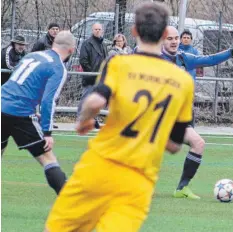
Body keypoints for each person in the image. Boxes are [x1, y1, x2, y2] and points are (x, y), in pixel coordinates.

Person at [44, 2, 194, 231]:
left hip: (100, 166)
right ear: (165, 34)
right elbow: (174, 145)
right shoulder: (182, 81)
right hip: (138, 180)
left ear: (134, 31)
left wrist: (84, 120)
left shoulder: (119, 63)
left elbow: (95, 101)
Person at [161, 25, 233, 199]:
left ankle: (181, 189)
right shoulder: (152, 60)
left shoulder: (183, 58)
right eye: (169, 38)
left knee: (198, 144)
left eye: (175, 38)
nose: (173, 42)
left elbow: (209, 59)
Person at [1, 31, 75, 195]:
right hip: (20, 113)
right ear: (72, 50)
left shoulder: (32, 56)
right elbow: (49, 101)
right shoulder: (58, 68)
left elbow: (18, 83)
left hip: (1, 104)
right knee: (47, 158)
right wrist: (47, 132)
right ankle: (70, 203)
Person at [78, 22, 108, 129]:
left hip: (100, 77)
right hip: (90, 77)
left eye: (99, 29)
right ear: (92, 30)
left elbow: (105, 60)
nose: (97, 31)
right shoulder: (87, 44)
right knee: (86, 98)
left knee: (95, 100)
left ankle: (92, 119)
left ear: (102, 30)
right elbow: (83, 60)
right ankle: (81, 119)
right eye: (96, 29)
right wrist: (91, 73)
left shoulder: (104, 45)